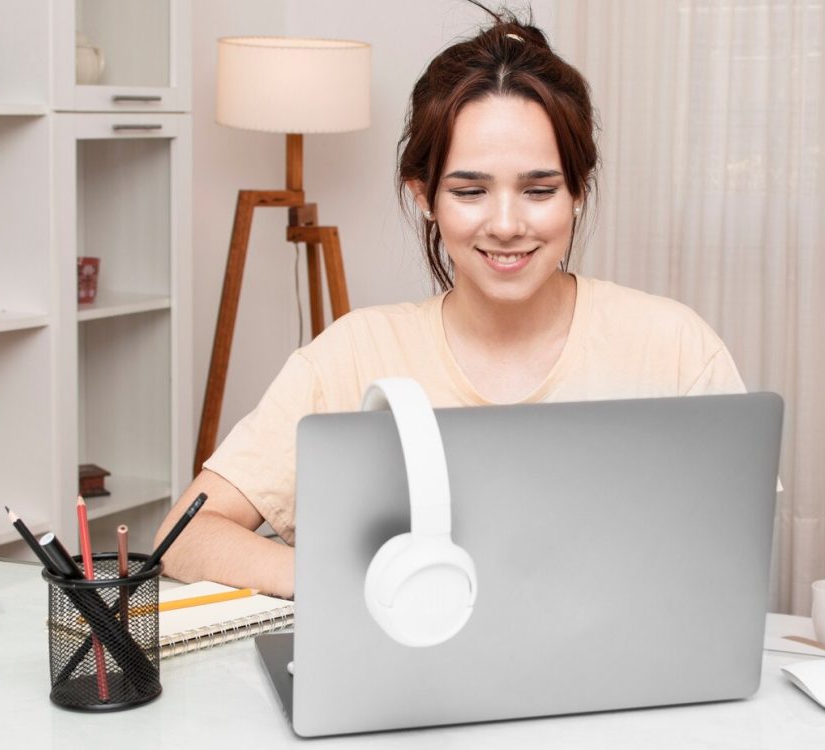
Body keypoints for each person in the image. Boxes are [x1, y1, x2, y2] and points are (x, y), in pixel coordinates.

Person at [156, 6, 747, 598]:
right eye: (470, 191)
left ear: (577, 194)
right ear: (425, 197)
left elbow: (732, 554)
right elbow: (184, 536)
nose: (507, 224)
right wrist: (360, 584)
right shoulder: (353, 354)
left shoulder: (674, 347)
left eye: (539, 190)